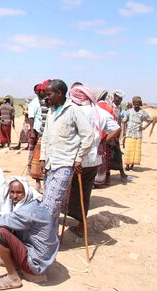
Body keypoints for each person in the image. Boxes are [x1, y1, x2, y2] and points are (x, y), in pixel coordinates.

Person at [0, 176, 59, 289]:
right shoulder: (29, 203)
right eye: (11, 192)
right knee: (5, 225)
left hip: (36, 263)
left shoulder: (28, 210)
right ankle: (11, 261)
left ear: (26, 192)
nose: (14, 196)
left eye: (19, 192)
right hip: (41, 257)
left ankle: (13, 278)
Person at [65, 86, 120, 238]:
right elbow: (117, 129)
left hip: (75, 160)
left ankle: (62, 224)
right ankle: (81, 226)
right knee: (85, 193)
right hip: (94, 160)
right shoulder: (100, 112)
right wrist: (103, 141)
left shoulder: (75, 111)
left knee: (66, 193)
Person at [39, 79, 94, 229]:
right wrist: (43, 158)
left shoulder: (73, 110)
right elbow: (45, 136)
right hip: (50, 163)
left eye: (49, 94)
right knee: (47, 202)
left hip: (65, 163)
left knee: (52, 204)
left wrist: (79, 158)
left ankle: (46, 237)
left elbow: (88, 135)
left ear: (59, 93)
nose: (47, 97)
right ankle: (51, 237)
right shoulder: (51, 111)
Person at [27, 80, 50, 190]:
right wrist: (32, 131)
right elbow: (31, 117)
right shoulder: (34, 103)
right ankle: (37, 182)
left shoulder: (47, 102)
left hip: (46, 133)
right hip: (37, 131)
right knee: (36, 156)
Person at [122, 96, 152, 170]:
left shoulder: (143, 112)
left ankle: (132, 164)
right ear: (133, 103)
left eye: (138, 103)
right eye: (135, 103)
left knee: (135, 150)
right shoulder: (129, 111)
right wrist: (124, 132)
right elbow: (124, 121)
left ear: (140, 103)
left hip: (138, 134)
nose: (136, 104)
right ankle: (127, 165)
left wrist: (144, 127)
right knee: (128, 149)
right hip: (129, 133)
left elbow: (150, 120)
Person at [106, 89, 128, 183]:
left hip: (116, 134)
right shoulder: (109, 106)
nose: (119, 100)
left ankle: (122, 172)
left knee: (117, 154)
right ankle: (107, 176)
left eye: (121, 99)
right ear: (114, 96)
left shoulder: (119, 108)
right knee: (108, 156)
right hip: (110, 134)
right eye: (118, 98)